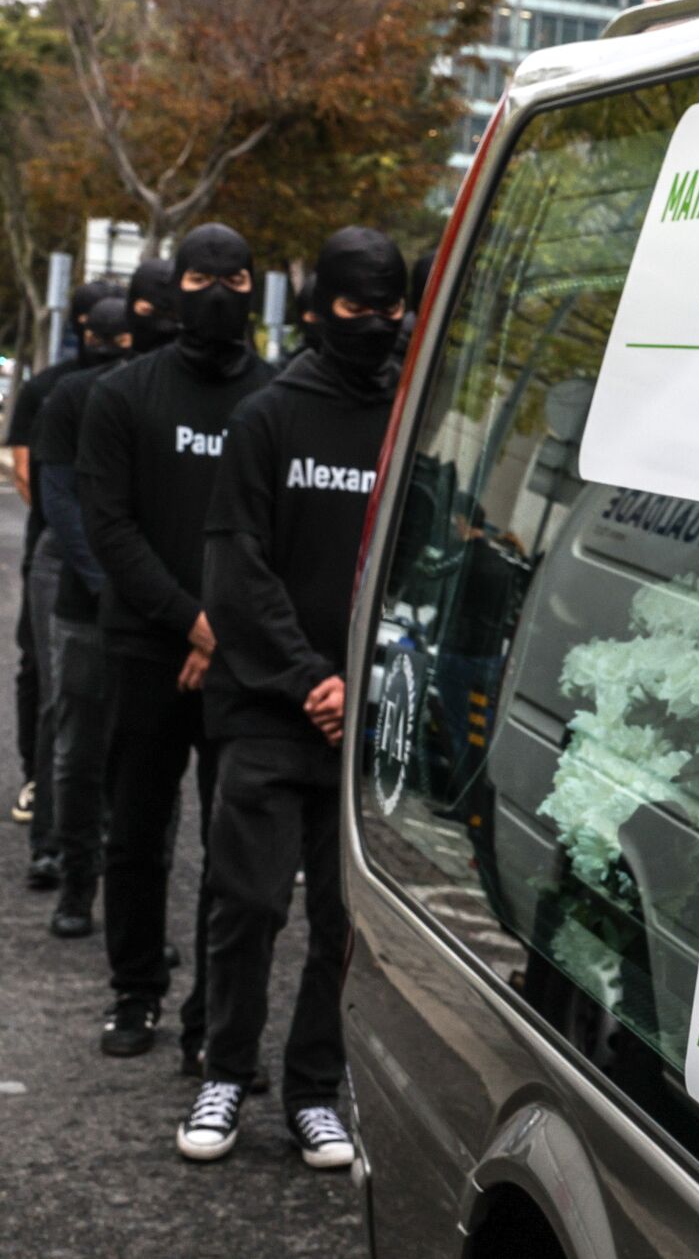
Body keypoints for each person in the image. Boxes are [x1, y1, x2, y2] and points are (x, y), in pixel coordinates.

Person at [177, 227, 404, 1169]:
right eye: (358, 308)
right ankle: (225, 1072)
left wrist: (365, 683)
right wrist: (312, 679)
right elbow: (236, 570)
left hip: (363, 722)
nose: (377, 327)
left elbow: (416, 559)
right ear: (318, 307)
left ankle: (315, 1087)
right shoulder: (270, 417)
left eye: (391, 309)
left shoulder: (407, 418)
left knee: (342, 925)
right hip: (269, 710)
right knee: (248, 901)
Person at [81, 224, 273, 1061]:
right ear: (176, 286)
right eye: (203, 277)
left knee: (232, 849)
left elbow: (278, 532)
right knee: (136, 832)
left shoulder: (275, 399)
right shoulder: (122, 395)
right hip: (144, 646)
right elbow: (109, 528)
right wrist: (189, 618)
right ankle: (135, 991)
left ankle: (213, 1022)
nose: (220, 293)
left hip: (239, 657)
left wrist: (222, 626)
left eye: (236, 277)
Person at [38, 272, 165, 937]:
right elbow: (60, 499)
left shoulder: (179, 401)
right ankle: (76, 883)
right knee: (79, 752)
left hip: (154, 617)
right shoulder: (74, 394)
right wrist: (113, 581)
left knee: (147, 772)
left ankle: (133, 912)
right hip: (88, 608)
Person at [12, 281, 123, 877]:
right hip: (59, 561)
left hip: (109, 568)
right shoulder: (52, 391)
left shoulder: (136, 389)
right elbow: (40, 481)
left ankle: (90, 821)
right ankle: (52, 829)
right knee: (54, 690)